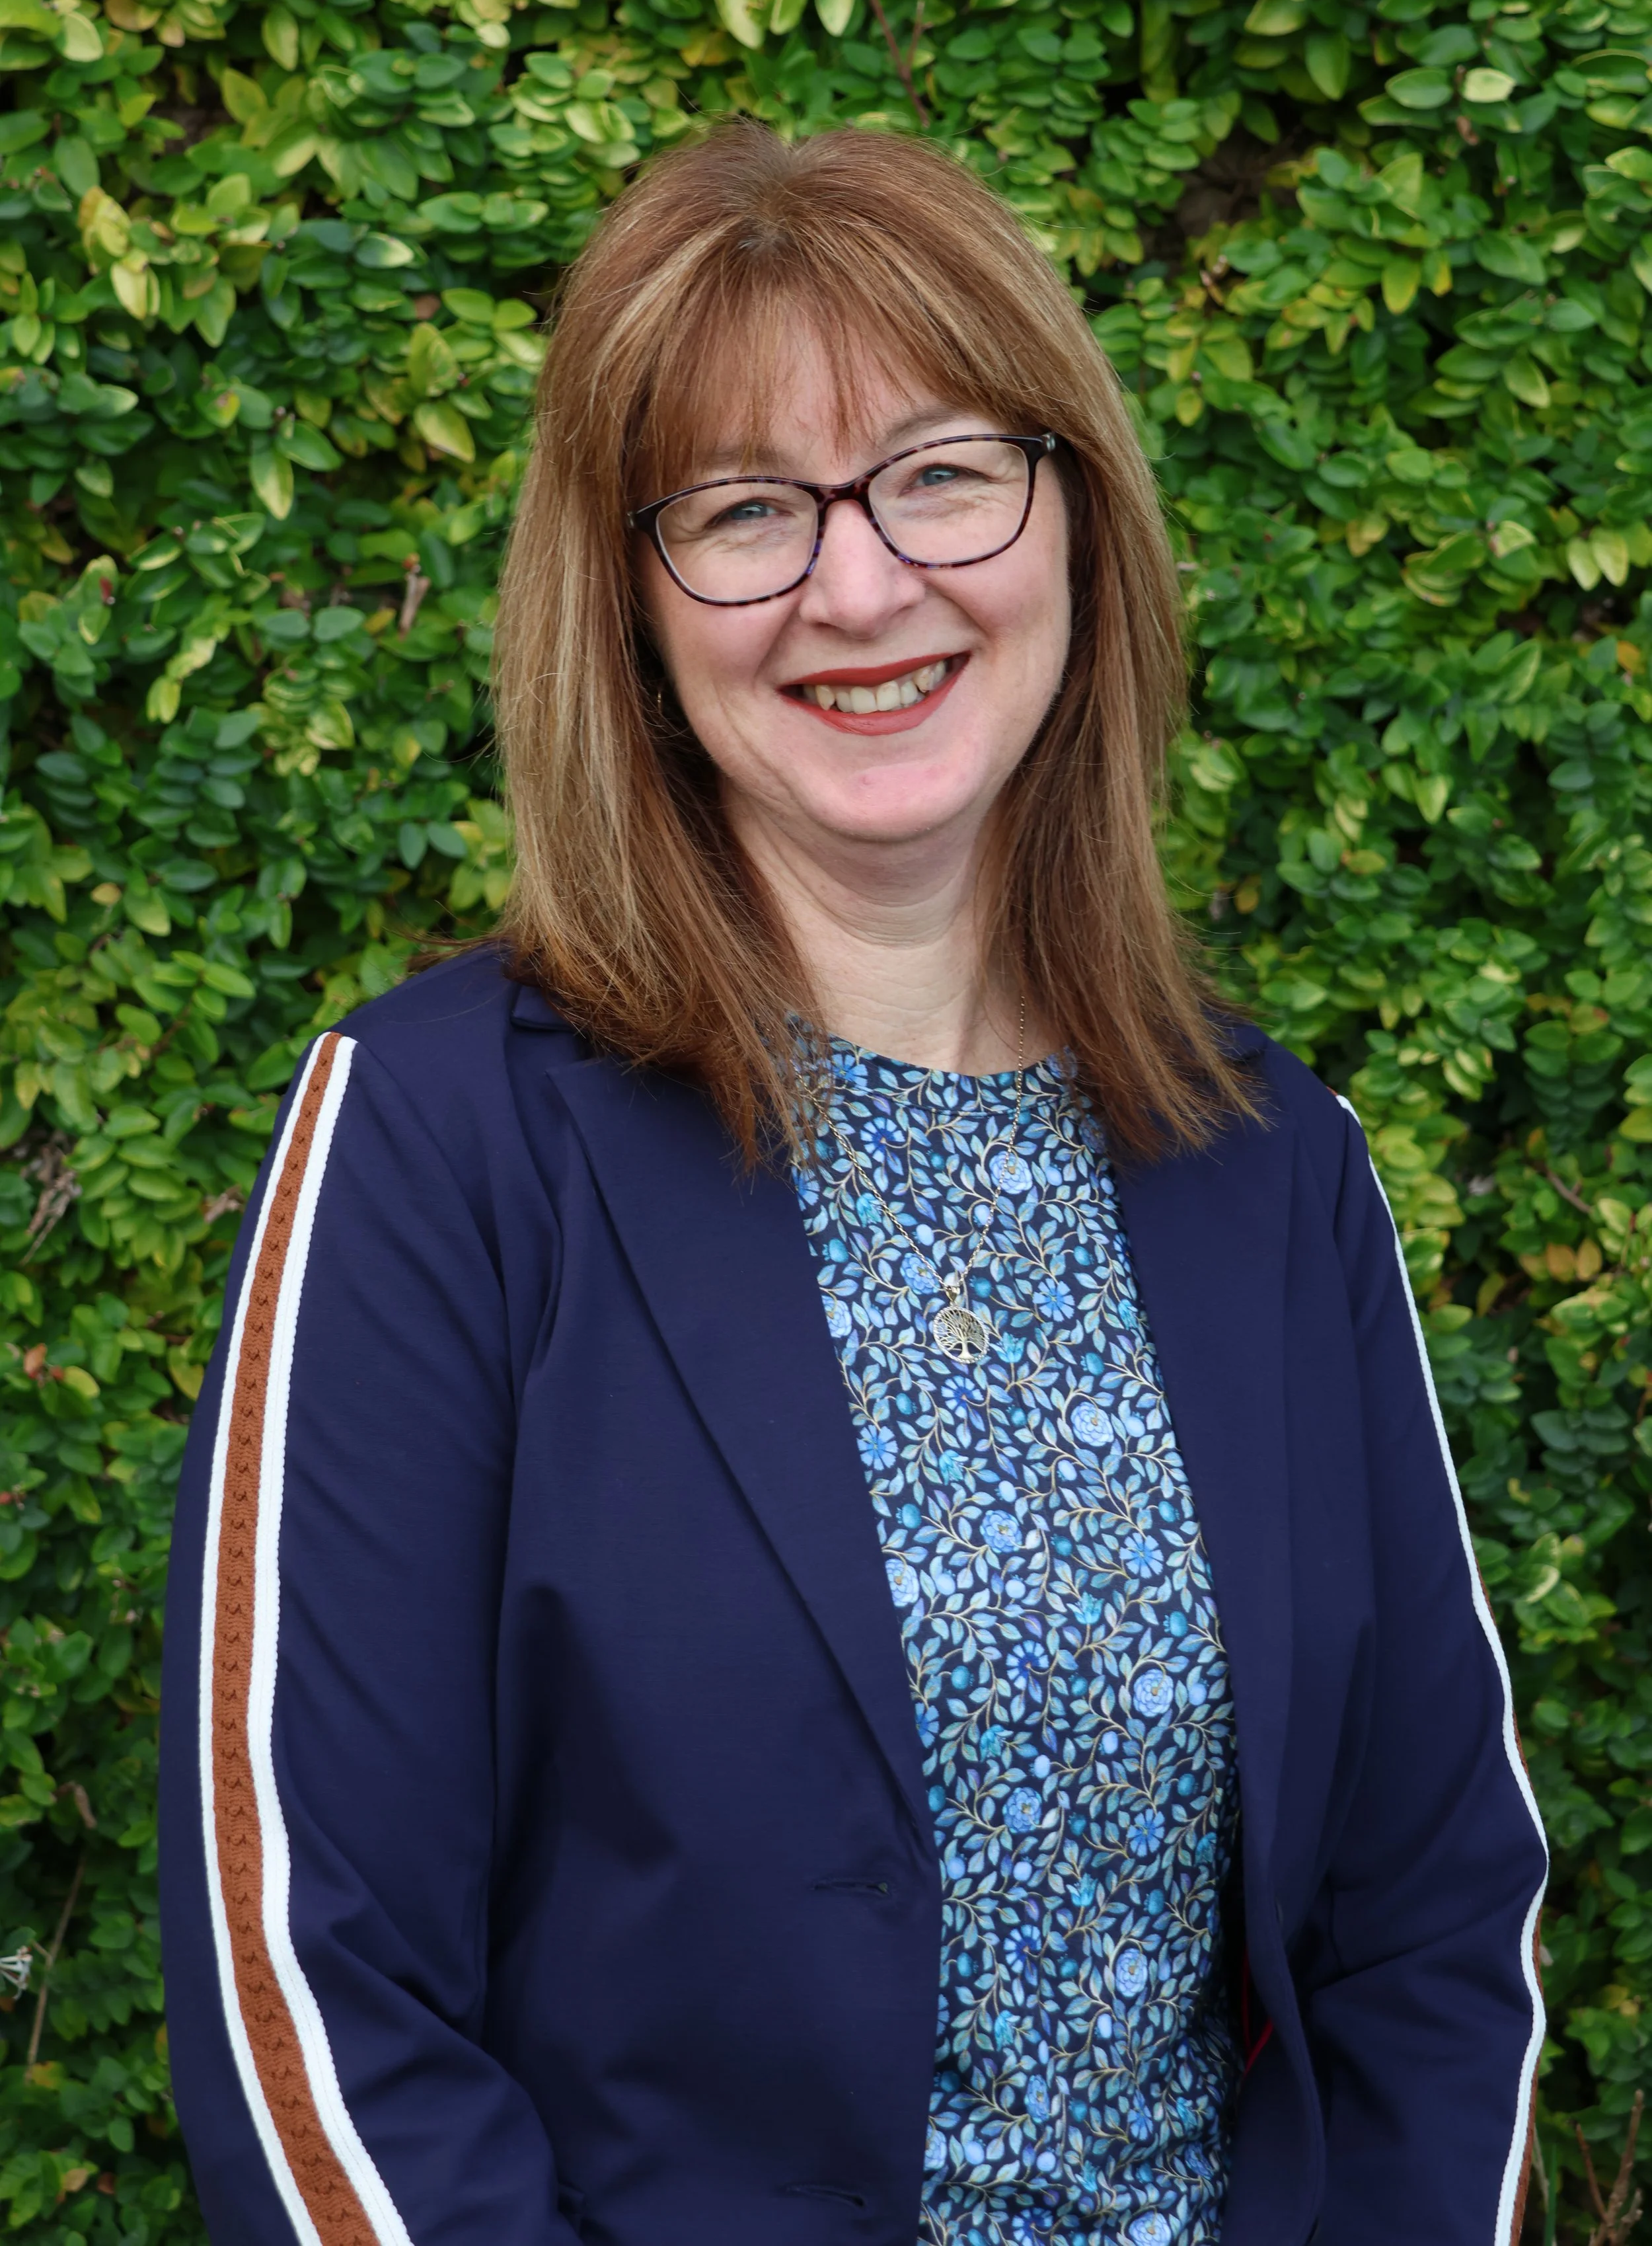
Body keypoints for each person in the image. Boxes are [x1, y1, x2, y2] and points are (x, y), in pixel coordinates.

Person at [159, 121, 1548, 2246]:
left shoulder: (1274, 1170)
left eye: (939, 471)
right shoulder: (438, 1143)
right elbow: (310, 1984)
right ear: (628, 608)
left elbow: (1430, 1931)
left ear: (1070, 513)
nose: (862, 581)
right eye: (742, 510)